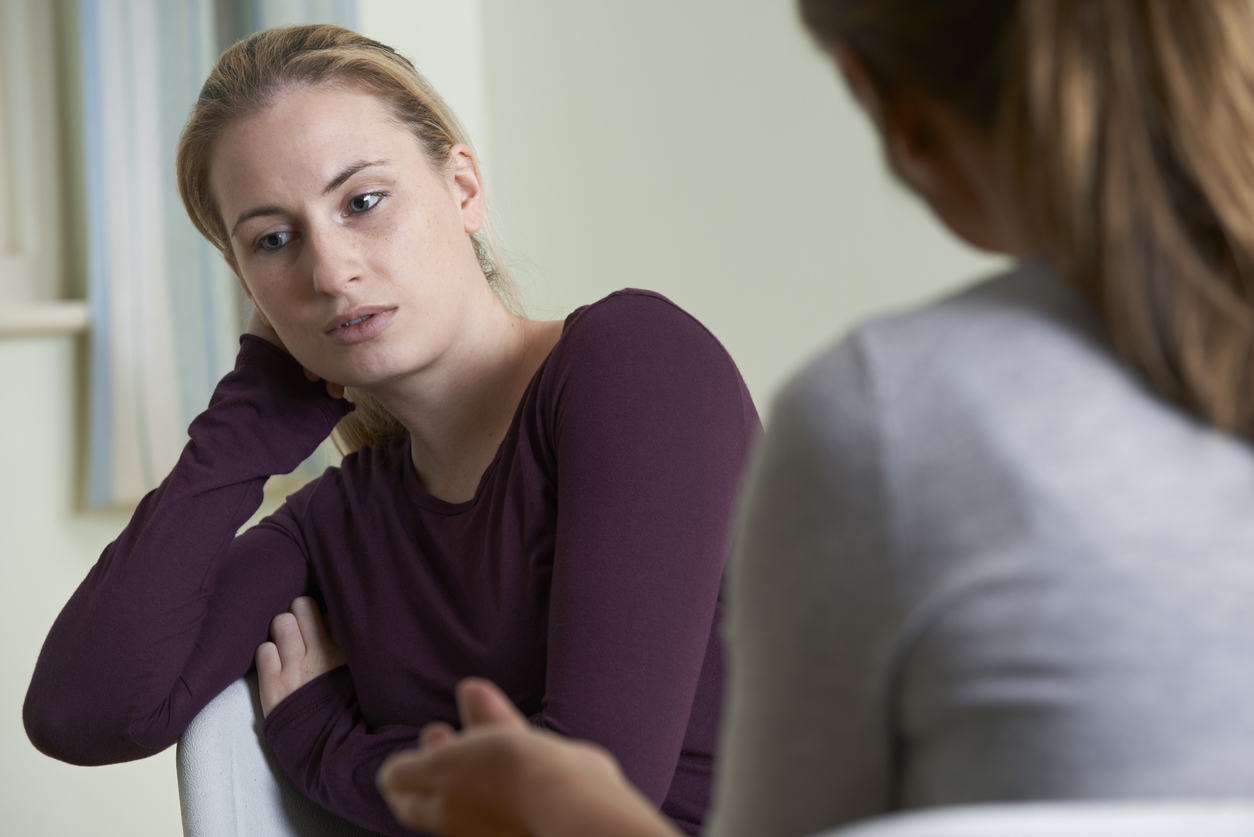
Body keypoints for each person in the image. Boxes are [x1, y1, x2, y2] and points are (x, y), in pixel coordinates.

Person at [374, 1, 1254, 835]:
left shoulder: (887, 414)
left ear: (898, 120)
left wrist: (564, 810)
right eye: (292, 237)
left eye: (365, 202)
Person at [22, 24, 758, 837]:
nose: (330, 271)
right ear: (248, 287)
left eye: (363, 202)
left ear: (463, 188)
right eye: (274, 241)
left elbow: (587, 796)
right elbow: (81, 713)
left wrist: (329, 747)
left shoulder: (633, 363)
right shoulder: (333, 525)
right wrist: (244, 426)